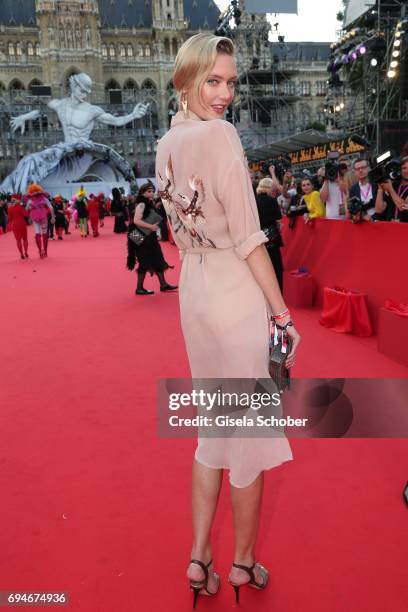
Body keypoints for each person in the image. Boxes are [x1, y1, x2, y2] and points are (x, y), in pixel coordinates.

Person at [155, 33, 300, 608]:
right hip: (235, 295)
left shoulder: (167, 140)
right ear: (186, 80)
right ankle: (241, 563)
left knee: (212, 429)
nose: (224, 94)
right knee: (251, 442)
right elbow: (248, 236)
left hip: (194, 293)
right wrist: (283, 313)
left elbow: (176, 232)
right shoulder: (221, 135)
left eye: (231, 81)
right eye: (212, 81)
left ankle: (198, 556)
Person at [127, 183, 177, 294]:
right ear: (142, 192)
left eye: (152, 191)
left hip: (148, 237)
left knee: (157, 259)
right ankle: (139, 288)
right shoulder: (141, 204)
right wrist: (151, 226)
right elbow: (136, 221)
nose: (151, 193)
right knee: (144, 261)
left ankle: (163, 285)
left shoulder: (148, 203)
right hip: (143, 237)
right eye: (148, 191)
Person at [255, 177, 284, 291]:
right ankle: (278, 296)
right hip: (272, 239)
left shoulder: (253, 201)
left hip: (258, 239)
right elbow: (278, 217)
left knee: (262, 270)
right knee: (276, 269)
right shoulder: (271, 200)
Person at [26, 183, 55, 258]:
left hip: (35, 218)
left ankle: (40, 250)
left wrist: (31, 208)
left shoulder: (30, 200)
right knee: (45, 234)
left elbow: (27, 210)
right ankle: (45, 251)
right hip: (43, 217)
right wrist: (53, 217)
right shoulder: (44, 199)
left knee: (37, 233)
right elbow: (51, 208)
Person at [375, 157, 408, 222]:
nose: (407, 171)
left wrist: (391, 190)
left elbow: (403, 207)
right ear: (399, 170)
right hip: (390, 227)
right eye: (404, 168)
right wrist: (380, 189)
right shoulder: (393, 185)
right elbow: (379, 210)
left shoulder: (390, 187)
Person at [7, 193, 29, 259]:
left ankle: (21, 254)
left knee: (18, 241)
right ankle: (25, 252)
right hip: (22, 224)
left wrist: (10, 225)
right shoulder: (20, 207)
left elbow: (10, 219)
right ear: (18, 200)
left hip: (15, 225)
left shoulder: (9, 208)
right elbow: (26, 215)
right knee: (25, 239)